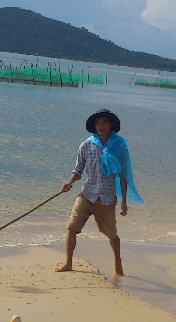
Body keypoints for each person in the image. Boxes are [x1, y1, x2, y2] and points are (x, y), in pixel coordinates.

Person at [56, 109, 142, 276]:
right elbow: (78, 170)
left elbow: (123, 175)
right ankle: (68, 263)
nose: (100, 126)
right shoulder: (86, 145)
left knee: (111, 234)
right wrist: (69, 182)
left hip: (107, 197)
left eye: (104, 122)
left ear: (110, 124)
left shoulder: (120, 146)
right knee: (71, 227)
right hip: (87, 193)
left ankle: (118, 265)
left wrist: (124, 201)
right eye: (98, 123)